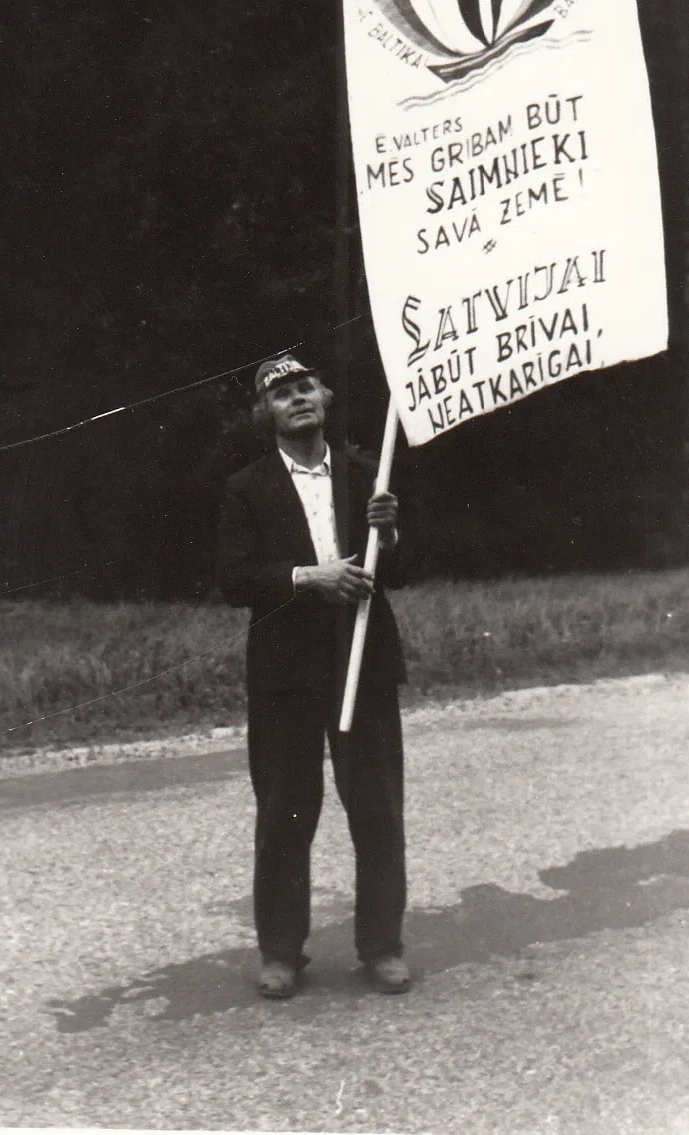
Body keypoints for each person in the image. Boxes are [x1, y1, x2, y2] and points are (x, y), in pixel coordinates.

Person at [217, 354, 409, 999]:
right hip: (285, 673)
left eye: (306, 388)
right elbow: (234, 581)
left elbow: (401, 573)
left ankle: (381, 946)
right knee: (284, 812)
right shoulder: (246, 487)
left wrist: (393, 533)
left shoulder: (364, 474)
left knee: (377, 808)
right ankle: (280, 953)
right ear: (265, 414)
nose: (297, 400)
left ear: (324, 398)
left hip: (363, 660)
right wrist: (308, 577)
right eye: (281, 395)